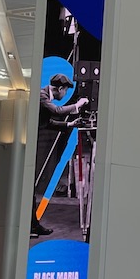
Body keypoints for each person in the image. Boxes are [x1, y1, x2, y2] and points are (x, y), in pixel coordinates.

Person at [32, 73, 89, 237]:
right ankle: (32, 226)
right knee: (30, 189)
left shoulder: (45, 97)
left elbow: (48, 122)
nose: (65, 96)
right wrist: (77, 105)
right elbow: (57, 111)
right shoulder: (42, 95)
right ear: (61, 88)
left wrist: (70, 124)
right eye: (65, 92)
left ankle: (33, 226)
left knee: (32, 191)